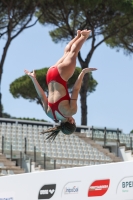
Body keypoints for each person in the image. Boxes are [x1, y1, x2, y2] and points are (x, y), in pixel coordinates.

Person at [24, 29, 97, 140]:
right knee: (66, 53)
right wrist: (34, 79)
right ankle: (77, 36)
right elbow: (42, 95)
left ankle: (83, 36)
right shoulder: (49, 114)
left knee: (73, 52)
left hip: (61, 76)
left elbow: (76, 89)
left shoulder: (70, 111)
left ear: (71, 122)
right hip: (50, 75)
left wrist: (82, 73)